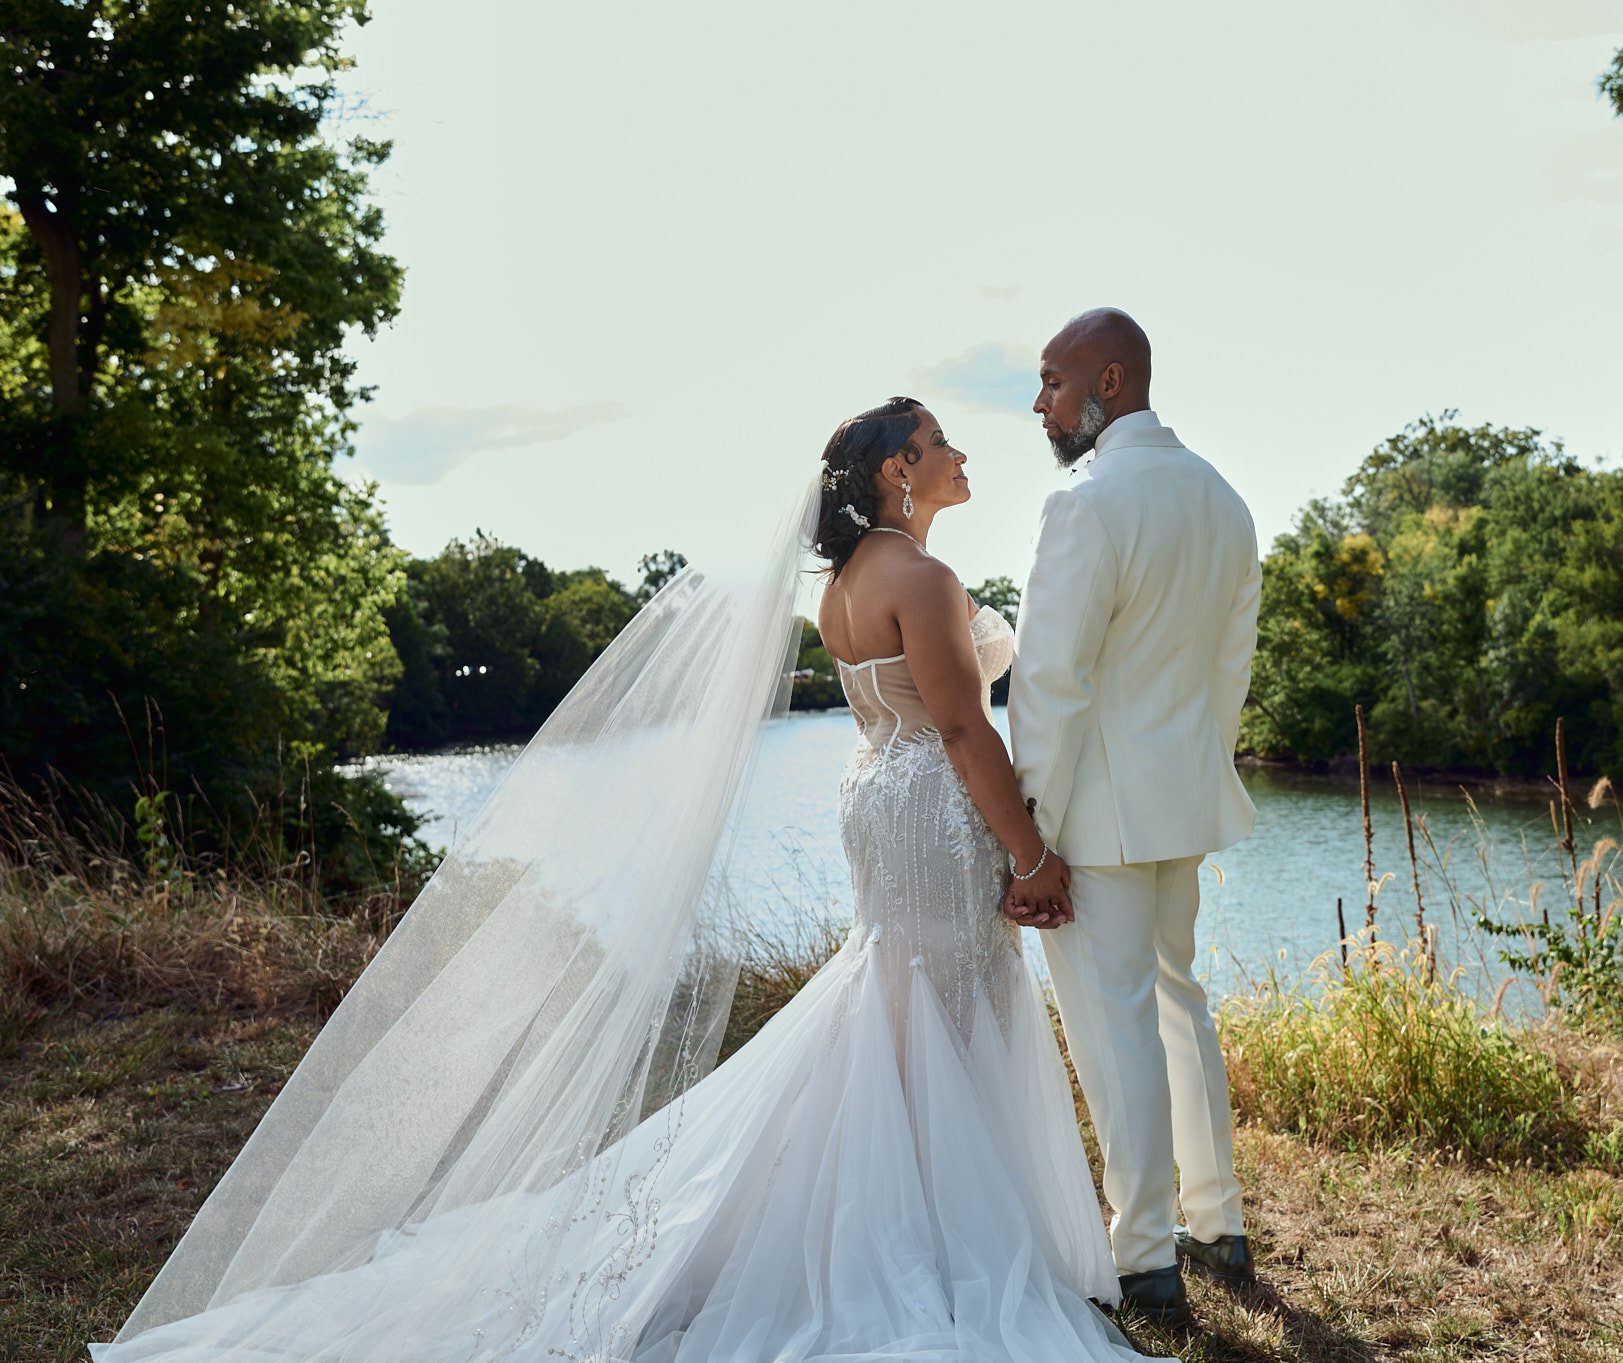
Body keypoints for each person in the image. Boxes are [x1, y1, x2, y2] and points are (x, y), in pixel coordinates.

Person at [91, 397, 1167, 1362]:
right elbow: (963, 728)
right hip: (930, 803)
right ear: (896, 470)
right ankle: (936, 1234)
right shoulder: (922, 579)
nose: (959, 453)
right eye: (938, 443)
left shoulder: (846, 584)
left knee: (900, 1001)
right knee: (950, 999)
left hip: (874, 796)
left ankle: (919, 1210)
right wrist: (1029, 855)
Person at [1009, 309, 1263, 1327]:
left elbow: (1050, 685)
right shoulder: (1223, 498)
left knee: (1117, 1026)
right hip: (1179, 797)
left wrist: (1030, 836)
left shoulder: (1086, 504)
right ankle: (1218, 1222)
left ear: (1107, 382)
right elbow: (1227, 672)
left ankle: (1146, 1255)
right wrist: (1194, 769)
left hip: (1096, 817)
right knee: (1176, 1003)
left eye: (1052, 383)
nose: (1041, 404)